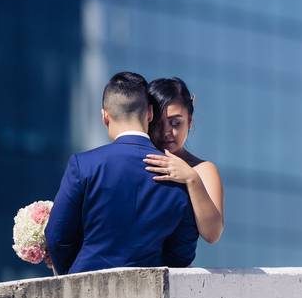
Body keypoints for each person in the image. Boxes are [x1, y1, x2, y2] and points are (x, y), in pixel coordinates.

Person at [45, 72, 198, 274]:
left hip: (84, 288)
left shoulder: (83, 165)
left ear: (105, 116)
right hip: (149, 296)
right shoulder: (178, 174)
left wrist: (73, 274)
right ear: (150, 113)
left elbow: (57, 237)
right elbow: (183, 253)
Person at [143, 77, 225, 244]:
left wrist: (191, 178)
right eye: (157, 123)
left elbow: (213, 234)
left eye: (175, 123)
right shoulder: (135, 160)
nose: (166, 131)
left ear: (189, 122)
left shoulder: (203, 170)